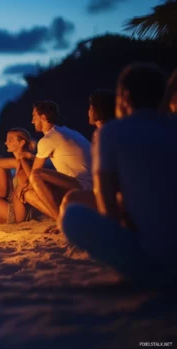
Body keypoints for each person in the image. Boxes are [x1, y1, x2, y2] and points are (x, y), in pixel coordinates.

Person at [60, 63, 177, 284]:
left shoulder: (111, 132)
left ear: (124, 96)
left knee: (73, 215)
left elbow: (108, 205)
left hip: (152, 263)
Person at [21, 101, 92, 220]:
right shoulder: (67, 132)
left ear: (43, 117)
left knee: (36, 176)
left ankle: (60, 220)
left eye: (34, 117)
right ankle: (65, 217)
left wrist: (21, 186)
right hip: (88, 185)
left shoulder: (48, 139)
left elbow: (34, 173)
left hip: (83, 187)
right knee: (29, 194)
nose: (32, 121)